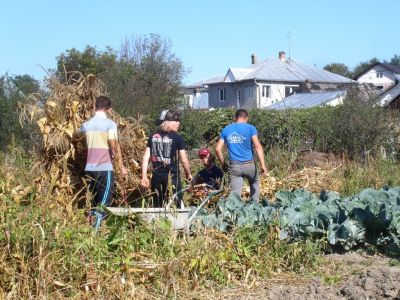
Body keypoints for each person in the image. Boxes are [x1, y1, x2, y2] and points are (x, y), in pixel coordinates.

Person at [79, 95, 128, 229]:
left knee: (95, 202)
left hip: (90, 169)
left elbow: (75, 135)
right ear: (109, 110)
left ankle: (91, 230)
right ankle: (96, 234)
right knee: (104, 202)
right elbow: (113, 144)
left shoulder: (86, 124)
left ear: (95, 107)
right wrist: (121, 166)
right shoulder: (110, 124)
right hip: (104, 167)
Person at [141, 110, 192, 207]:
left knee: (158, 207)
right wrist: (188, 173)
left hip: (156, 178)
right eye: (176, 120)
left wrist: (144, 176)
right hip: (172, 179)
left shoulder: (152, 136)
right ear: (168, 122)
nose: (178, 123)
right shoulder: (177, 138)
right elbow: (184, 160)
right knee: (175, 206)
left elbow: (146, 157)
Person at [215, 109, 267, 201]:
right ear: (246, 118)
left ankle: (235, 213)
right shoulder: (251, 128)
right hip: (249, 165)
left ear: (235, 118)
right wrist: (263, 165)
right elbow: (258, 146)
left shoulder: (226, 129)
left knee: (235, 197)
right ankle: (254, 207)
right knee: (254, 183)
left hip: (235, 167)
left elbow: (218, 149)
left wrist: (223, 164)